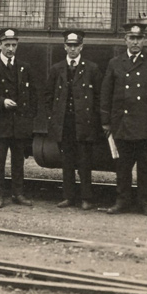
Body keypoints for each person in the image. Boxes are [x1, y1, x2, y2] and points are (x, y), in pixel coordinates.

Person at [100, 21, 147, 215]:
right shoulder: (115, 63)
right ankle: (122, 201)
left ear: (144, 40)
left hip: (145, 123)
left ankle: (145, 202)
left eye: (139, 38)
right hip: (122, 123)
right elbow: (106, 93)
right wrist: (106, 121)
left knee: (144, 167)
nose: (135, 42)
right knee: (122, 167)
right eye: (132, 38)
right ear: (125, 40)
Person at [0, 27, 36, 208]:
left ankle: (18, 194)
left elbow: (33, 95)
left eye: (14, 45)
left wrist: (29, 118)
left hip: (19, 124)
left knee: (18, 162)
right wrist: (2, 101)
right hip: (1, 122)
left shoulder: (25, 67)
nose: (11, 49)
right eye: (7, 44)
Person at [46, 29, 101, 209]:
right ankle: (68, 197)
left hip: (84, 123)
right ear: (64, 47)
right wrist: (54, 117)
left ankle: (86, 198)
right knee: (67, 161)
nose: (72, 49)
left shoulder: (91, 68)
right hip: (65, 123)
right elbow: (49, 96)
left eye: (75, 46)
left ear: (81, 47)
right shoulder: (56, 69)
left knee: (85, 161)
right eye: (69, 46)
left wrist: (93, 120)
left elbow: (98, 97)